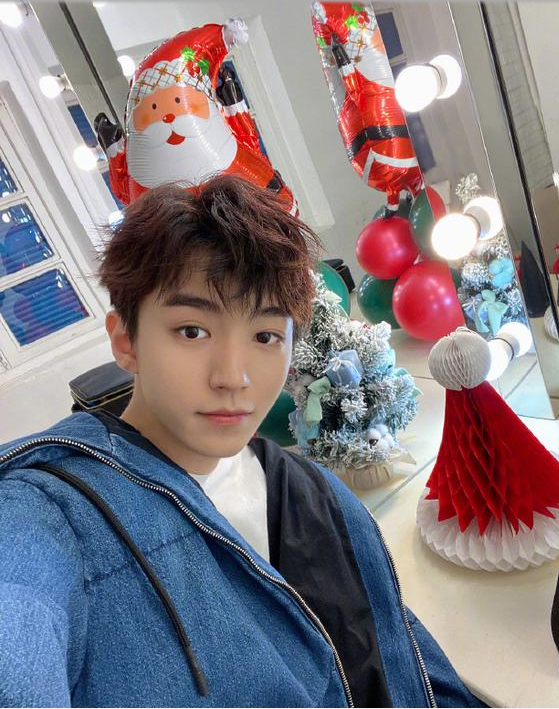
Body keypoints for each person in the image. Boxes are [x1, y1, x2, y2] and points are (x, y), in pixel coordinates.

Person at [0, 175, 481, 707]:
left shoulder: (310, 486)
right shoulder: (49, 511)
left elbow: (398, 651)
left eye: (265, 336)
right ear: (126, 341)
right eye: (192, 331)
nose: (234, 377)